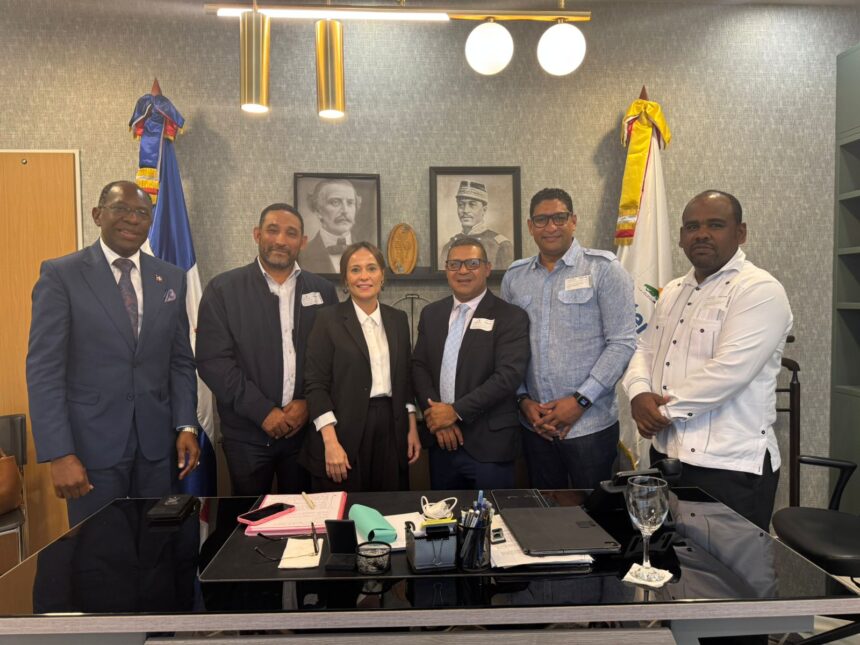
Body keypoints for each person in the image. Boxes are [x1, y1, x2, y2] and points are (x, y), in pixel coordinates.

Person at [26, 180, 199, 526]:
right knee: (98, 549)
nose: (132, 219)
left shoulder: (171, 278)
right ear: (97, 215)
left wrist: (186, 425)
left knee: (156, 544)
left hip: (156, 448)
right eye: (121, 209)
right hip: (91, 449)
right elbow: (44, 371)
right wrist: (60, 453)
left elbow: (179, 360)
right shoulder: (61, 275)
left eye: (142, 213)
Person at [622, 190, 792, 531]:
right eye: (692, 226)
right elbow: (644, 349)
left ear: (740, 233)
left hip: (728, 467)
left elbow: (729, 372)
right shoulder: (673, 291)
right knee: (673, 558)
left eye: (715, 225)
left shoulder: (759, 289)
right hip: (667, 456)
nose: (701, 234)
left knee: (730, 565)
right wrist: (638, 394)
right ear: (681, 237)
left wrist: (660, 413)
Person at [196, 203, 337, 496]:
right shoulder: (223, 289)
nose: (281, 240)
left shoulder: (323, 291)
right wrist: (262, 411)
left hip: (304, 433)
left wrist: (308, 403)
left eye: (291, 233)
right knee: (249, 516)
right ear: (257, 234)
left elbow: (332, 358)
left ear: (303, 242)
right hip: (246, 435)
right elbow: (213, 362)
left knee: (305, 517)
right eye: (273, 230)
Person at [501, 187, 636, 491]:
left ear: (573, 221)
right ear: (530, 226)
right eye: (541, 220)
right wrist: (522, 400)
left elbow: (622, 343)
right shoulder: (515, 277)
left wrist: (580, 401)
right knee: (545, 512)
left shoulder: (604, 269)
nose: (550, 227)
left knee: (596, 514)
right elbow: (509, 347)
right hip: (535, 425)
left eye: (559, 218)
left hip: (590, 425)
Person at [299, 242, 421, 492]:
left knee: (390, 506)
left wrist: (412, 428)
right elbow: (315, 385)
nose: (364, 276)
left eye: (371, 268)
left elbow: (405, 379)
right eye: (355, 270)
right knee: (347, 508)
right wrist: (330, 442)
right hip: (343, 427)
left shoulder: (398, 320)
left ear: (382, 275)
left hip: (391, 427)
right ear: (345, 278)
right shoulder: (327, 320)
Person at [413, 237, 530, 489]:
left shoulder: (511, 317)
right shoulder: (431, 314)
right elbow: (419, 367)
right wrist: (437, 416)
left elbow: (508, 376)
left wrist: (454, 412)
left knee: (492, 514)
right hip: (441, 444)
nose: (463, 271)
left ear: (487, 268)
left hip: (490, 447)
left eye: (472, 263)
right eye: (454, 264)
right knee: (444, 513)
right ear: (447, 270)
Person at [439, 180, 514, 270]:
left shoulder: (500, 245)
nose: (465, 210)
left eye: (472, 205)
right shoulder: (449, 245)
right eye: (461, 205)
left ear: (484, 210)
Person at [301, 179, 361, 274]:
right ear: (318, 211)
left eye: (350, 203)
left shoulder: (368, 252)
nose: (345, 210)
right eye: (335, 202)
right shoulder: (302, 255)